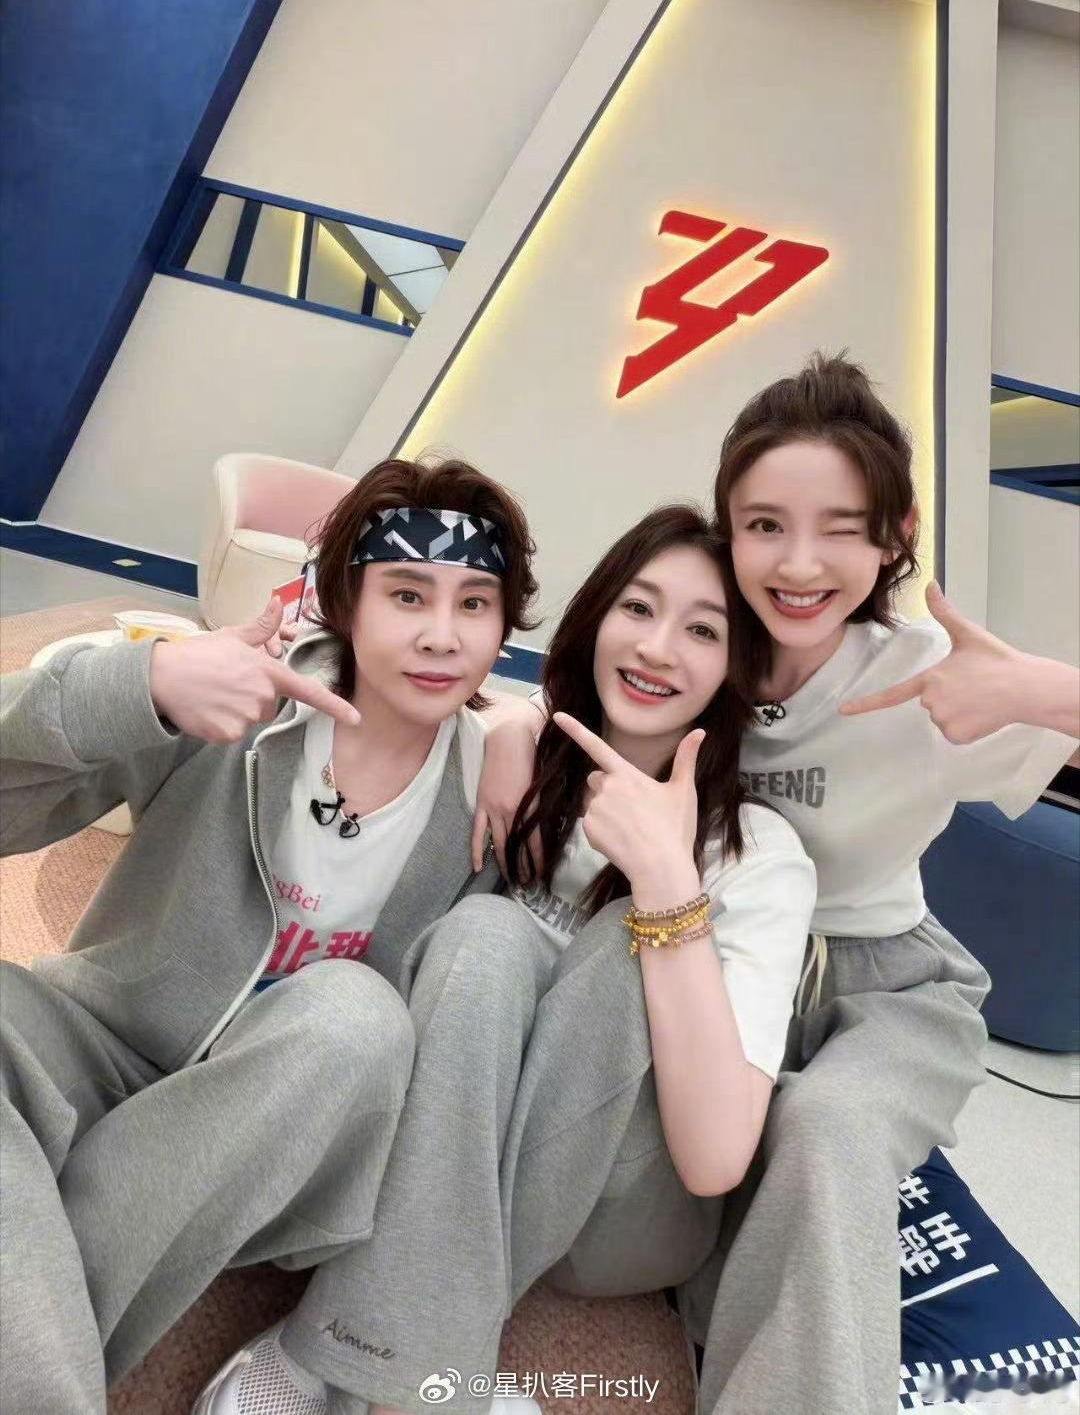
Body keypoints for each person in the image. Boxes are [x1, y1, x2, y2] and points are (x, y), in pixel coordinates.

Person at [197, 504, 816, 1415]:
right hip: (454, 1141)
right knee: (485, 933)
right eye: (638, 608)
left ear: (737, 666)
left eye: (702, 630)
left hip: (616, 1206)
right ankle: (430, 1370)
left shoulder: (758, 856)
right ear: (596, 616)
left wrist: (665, 884)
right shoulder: (519, 763)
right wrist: (516, 729)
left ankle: (339, 1351)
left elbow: (715, 1159)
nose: (657, 649)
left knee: (619, 950)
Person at [0, 453, 537, 1415]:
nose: (442, 634)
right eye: (407, 594)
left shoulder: (494, 797)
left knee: (356, 1016)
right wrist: (145, 684)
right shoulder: (237, 702)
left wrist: (523, 726)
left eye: (475, 603)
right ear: (348, 600)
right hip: (107, 1041)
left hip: (279, 1122)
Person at [678, 352, 1079, 1415]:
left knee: (828, 1134)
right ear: (726, 528)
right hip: (708, 963)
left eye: (842, 528)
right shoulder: (694, 644)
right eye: (764, 525)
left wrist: (1042, 689)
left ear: (896, 536)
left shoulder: (930, 674)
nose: (798, 563)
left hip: (886, 987)